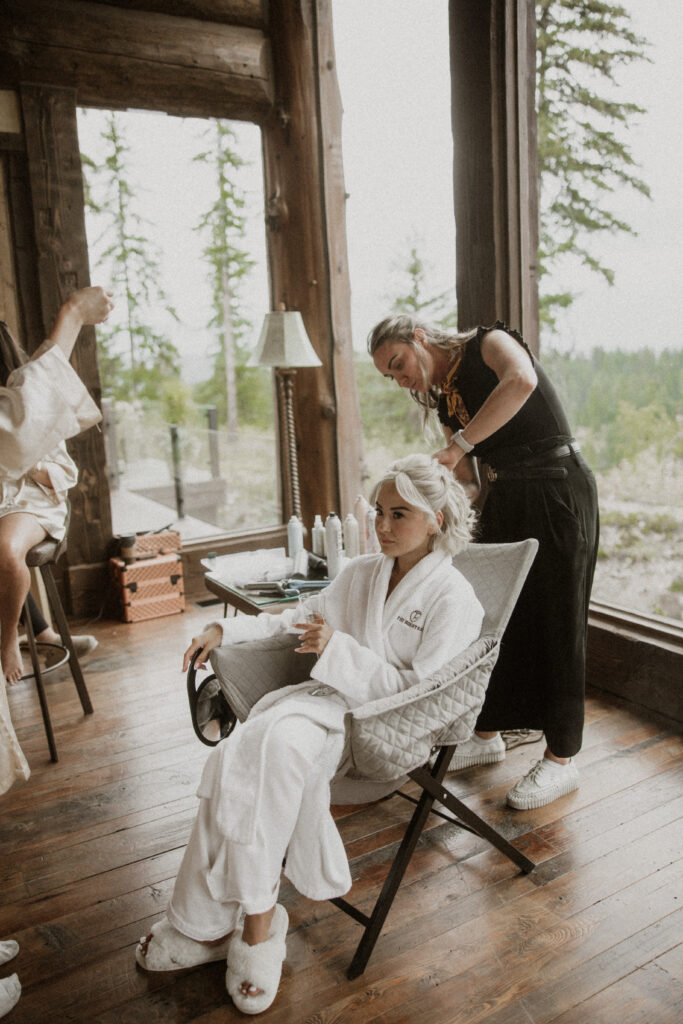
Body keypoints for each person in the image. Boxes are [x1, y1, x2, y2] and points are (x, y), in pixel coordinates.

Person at [136, 454, 484, 1015]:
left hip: (378, 730)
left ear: (437, 518)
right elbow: (294, 616)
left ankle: (246, 931)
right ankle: (211, 922)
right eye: (379, 512)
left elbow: (422, 694)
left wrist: (339, 650)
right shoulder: (363, 574)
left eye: (401, 515)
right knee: (236, 756)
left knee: (266, 749)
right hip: (321, 706)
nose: (384, 526)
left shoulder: (454, 599)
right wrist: (222, 626)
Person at [369, 315, 599, 811]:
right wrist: (425, 521)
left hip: (557, 487)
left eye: (399, 363)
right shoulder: (445, 397)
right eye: (390, 376)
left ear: (420, 338)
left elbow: (522, 382)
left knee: (559, 623)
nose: (400, 378)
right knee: (494, 621)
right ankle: (488, 731)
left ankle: (561, 760)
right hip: (507, 496)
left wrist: (456, 446)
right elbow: (469, 482)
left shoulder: (489, 343)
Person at [0, 286, 113, 794]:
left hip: (31, 501)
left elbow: (58, 466)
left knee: (5, 550)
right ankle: (40, 630)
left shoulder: (27, 403)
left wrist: (36, 467)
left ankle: (10, 641)